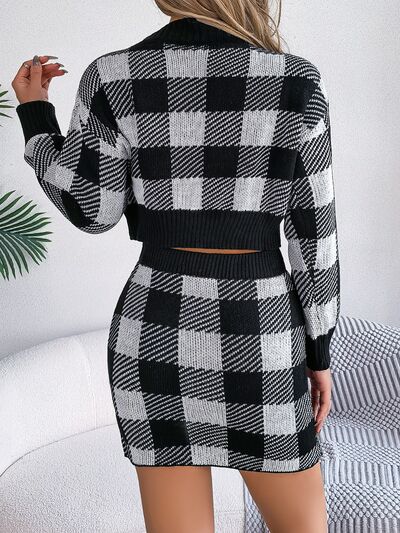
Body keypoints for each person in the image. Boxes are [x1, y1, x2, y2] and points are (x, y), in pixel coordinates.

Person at [12, 1, 340, 531]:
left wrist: (35, 116)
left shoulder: (112, 76)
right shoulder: (295, 81)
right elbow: (315, 236)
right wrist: (319, 350)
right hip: (261, 335)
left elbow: (93, 210)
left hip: (153, 329)